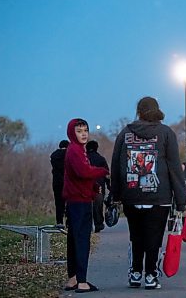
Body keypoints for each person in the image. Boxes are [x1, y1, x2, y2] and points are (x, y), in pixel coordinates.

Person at [111, 96, 186, 290]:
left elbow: (116, 166)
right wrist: (180, 200)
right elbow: (174, 169)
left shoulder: (125, 133)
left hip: (131, 194)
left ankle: (135, 273)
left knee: (135, 236)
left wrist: (116, 195)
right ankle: (151, 275)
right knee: (154, 237)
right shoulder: (166, 133)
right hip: (159, 196)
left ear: (139, 111)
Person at [62, 118, 109, 293]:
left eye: (85, 130)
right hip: (79, 202)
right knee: (81, 241)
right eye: (79, 131)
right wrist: (102, 171)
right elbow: (83, 172)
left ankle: (73, 278)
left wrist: (93, 186)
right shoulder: (74, 150)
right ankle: (82, 281)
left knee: (74, 240)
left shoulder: (77, 150)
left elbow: (78, 177)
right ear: (71, 133)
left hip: (76, 199)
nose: (83, 134)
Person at [86, 140, 111, 233]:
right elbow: (106, 174)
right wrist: (109, 186)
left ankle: (88, 226)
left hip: (86, 186)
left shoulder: (84, 159)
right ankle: (98, 224)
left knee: (87, 206)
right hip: (100, 186)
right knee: (98, 206)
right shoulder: (101, 159)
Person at [50, 140, 69, 226]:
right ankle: (69, 222)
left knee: (58, 202)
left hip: (57, 183)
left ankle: (59, 222)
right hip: (68, 182)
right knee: (69, 202)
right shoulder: (69, 156)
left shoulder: (54, 156)